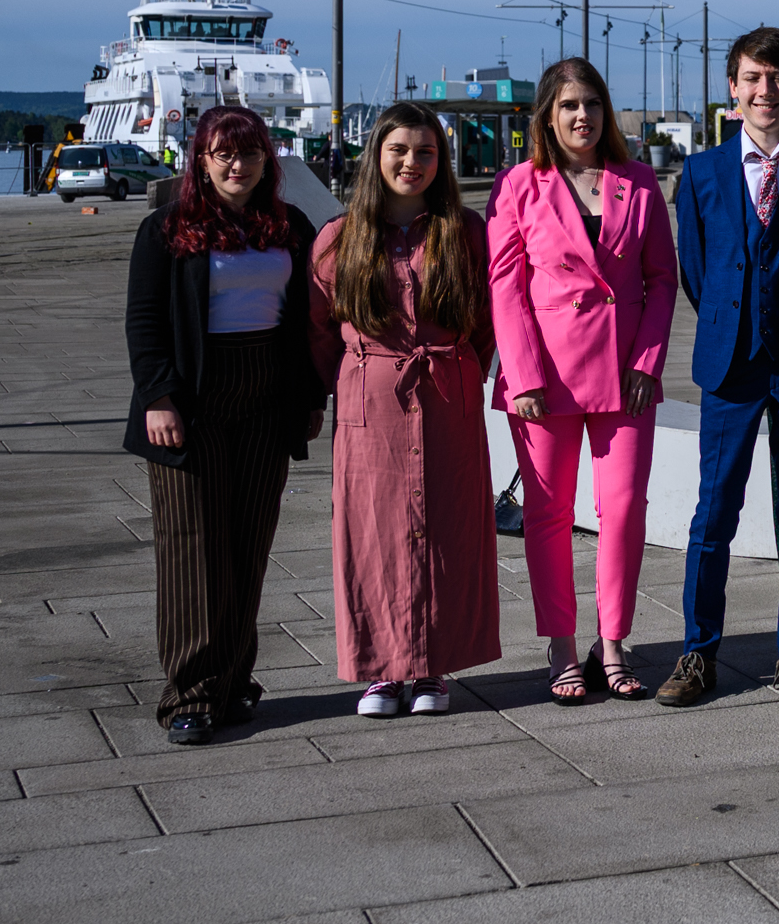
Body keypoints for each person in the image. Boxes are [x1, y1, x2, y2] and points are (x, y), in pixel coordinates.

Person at [658, 27, 779, 710]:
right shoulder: (704, 173)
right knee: (714, 512)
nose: (765, 90)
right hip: (731, 364)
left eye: (778, 78)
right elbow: (696, 272)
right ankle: (697, 651)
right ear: (732, 89)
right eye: (752, 78)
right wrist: (732, 319)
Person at [125, 104, 326, 746]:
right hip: (192, 402)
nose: (236, 165)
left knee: (247, 544)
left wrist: (311, 396)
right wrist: (158, 396)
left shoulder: (288, 225)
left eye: (248, 152)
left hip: (266, 394)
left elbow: (303, 321)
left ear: (268, 159)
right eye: (222, 153)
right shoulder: (167, 229)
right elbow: (145, 321)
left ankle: (235, 682)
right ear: (202, 161)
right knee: (193, 548)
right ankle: (189, 694)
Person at [487, 58, 677, 704]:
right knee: (548, 514)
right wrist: (521, 374)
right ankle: (561, 644)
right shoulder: (519, 185)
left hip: (627, 376)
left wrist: (648, 363)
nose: (582, 116)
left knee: (623, 509)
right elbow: (505, 286)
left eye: (592, 104)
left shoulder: (639, 181)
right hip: (543, 376)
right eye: (568, 105)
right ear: (548, 114)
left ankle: (613, 641)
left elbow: (662, 280)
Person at [311, 103, 499, 719]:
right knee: (372, 534)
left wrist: (460, 368)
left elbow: (486, 324)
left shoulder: (466, 231)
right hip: (371, 402)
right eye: (399, 150)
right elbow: (318, 329)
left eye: (425, 152)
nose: (412, 163)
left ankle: (433, 667)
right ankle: (380, 671)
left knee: (445, 527)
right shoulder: (340, 238)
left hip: (448, 392)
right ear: (376, 155)